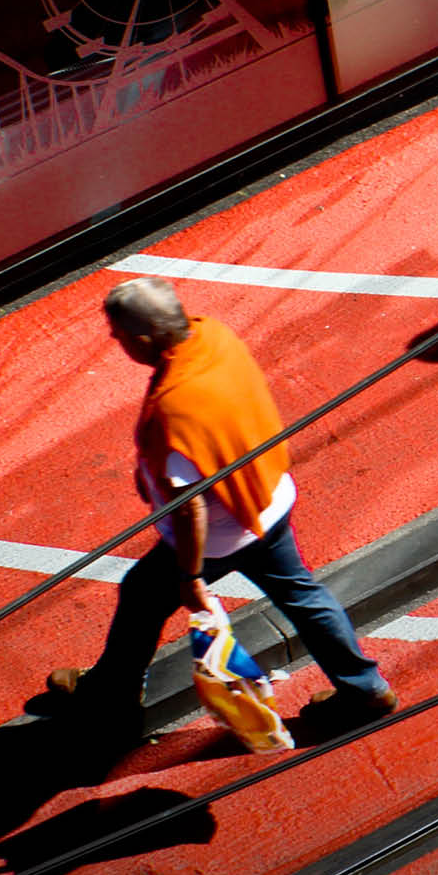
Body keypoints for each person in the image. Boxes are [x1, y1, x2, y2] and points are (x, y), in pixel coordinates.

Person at [56, 278, 394, 746]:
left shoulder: (174, 409)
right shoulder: (216, 336)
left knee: (140, 596)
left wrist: (191, 574)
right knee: (304, 596)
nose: (115, 342)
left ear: (144, 340)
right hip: (267, 501)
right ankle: (365, 689)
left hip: (216, 537)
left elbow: (189, 506)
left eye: (117, 335)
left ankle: (110, 699)